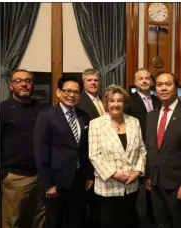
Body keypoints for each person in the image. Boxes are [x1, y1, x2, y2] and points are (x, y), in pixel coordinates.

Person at [34, 75, 94, 228]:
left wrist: (89, 175)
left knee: (77, 220)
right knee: (55, 221)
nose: (71, 95)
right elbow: (41, 151)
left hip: (80, 180)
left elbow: (87, 148)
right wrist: (48, 184)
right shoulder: (46, 115)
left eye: (76, 92)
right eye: (67, 91)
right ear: (58, 92)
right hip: (57, 181)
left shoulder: (84, 116)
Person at [88, 84, 146, 228]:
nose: (116, 104)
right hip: (108, 187)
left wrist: (138, 172)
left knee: (130, 222)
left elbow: (142, 150)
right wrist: (115, 174)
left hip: (131, 186)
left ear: (124, 103)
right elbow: (94, 155)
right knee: (109, 223)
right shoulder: (96, 124)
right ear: (106, 103)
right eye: (112, 101)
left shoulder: (134, 122)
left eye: (119, 100)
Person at [145, 72, 181, 228]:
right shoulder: (151, 116)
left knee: (179, 222)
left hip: (177, 184)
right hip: (155, 182)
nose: (163, 88)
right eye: (159, 85)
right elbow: (150, 148)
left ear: (176, 88)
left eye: (168, 84)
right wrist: (148, 175)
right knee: (160, 221)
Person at [0, 69, 45, 228]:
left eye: (28, 81)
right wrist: (3, 173)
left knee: (39, 220)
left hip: (40, 176)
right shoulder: (1, 110)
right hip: (14, 177)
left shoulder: (42, 110)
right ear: (11, 86)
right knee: (11, 222)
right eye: (18, 81)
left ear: (32, 85)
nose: (24, 84)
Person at [126, 67, 160, 224]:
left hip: (155, 149)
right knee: (136, 193)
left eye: (147, 78)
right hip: (135, 150)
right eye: (141, 79)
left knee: (152, 189)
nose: (145, 81)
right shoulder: (128, 100)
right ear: (135, 82)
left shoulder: (157, 100)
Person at [77, 68, 104, 228]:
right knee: (85, 208)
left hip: (102, 159)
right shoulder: (81, 103)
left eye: (96, 80)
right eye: (90, 80)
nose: (93, 83)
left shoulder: (101, 101)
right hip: (88, 161)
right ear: (83, 82)